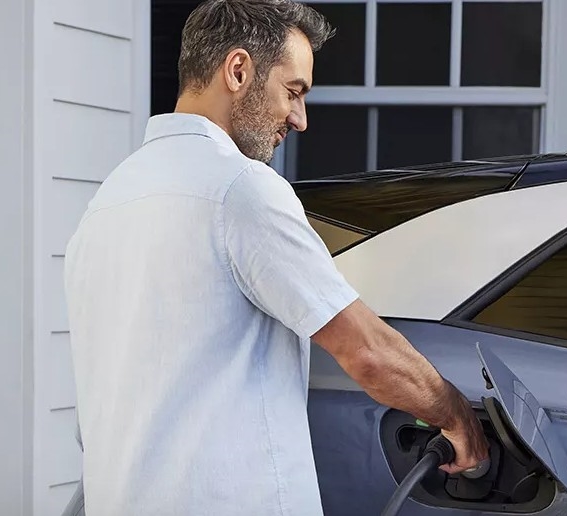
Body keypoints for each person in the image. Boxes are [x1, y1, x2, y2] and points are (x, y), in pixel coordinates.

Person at [62, 0, 488, 513]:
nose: (300, 118)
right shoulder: (240, 188)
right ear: (238, 70)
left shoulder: (106, 203)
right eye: (293, 91)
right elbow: (367, 352)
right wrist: (455, 414)